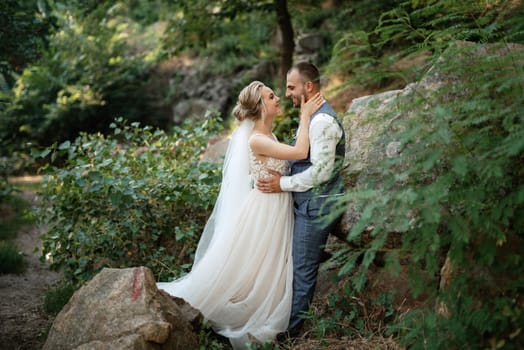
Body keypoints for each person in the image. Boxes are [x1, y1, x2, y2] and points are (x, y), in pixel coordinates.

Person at [157, 80, 322, 349]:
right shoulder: (257, 139)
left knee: (264, 265)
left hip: (276, 205)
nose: (277, 98)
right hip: (266, 210)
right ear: (259, 106)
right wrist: (305, 116)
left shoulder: (268, 135)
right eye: (271, 96)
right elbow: (300, 152)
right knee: (256, 264)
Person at [257, 61, 346, 338]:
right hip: (306, 204)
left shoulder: (322, 121)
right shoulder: (312, 116)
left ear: (309, 87)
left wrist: (281, 184)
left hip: (316, 207)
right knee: (296, 264)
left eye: (291, 87)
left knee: (302, 272)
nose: (287, 94)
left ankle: (291, 335)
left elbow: (321, 172)